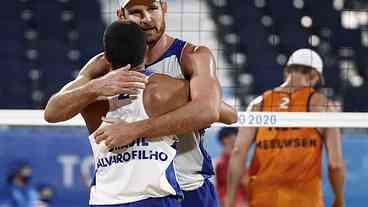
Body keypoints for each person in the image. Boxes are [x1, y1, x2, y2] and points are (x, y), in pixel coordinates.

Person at [44, 1, 237, 207]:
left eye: (152, 9)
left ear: (164, 8)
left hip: (188, 183)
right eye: (136, 12)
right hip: (130, 190)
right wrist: (95, 87)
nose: (146, 18)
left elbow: (215, 112)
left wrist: (134, 130)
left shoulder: (191, 56)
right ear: (121, 15)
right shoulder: (102, 64)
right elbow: (52, 112)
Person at [225, 49, 346, 207]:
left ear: (287, 71)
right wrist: (339, 199)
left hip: (263, 199)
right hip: (306, 200)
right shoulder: (322, 105)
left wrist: (230, 201)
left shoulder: (258, 104)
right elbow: (335, 164)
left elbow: (237, 152)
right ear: (314, 76)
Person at [215, 128, 248, 207]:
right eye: (235, 135)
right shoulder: (225, 162)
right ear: (226, 140)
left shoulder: (221, 161)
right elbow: (244, 181)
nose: (238, 138)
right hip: (237, 202)